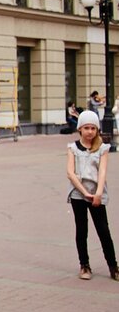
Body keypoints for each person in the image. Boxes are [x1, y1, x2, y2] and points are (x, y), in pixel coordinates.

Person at [66, 110, 118, 281]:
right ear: (80, 129)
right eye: (86, 128)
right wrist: (84, 192)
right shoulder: (73, 148)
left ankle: (113, 266)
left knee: (103, 230)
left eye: (93, 128)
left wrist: (98, 193)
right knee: (82, 230)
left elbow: (102, 172)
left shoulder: (102, 148)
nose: (90, 131)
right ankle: (84, 265)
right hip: (78, 194)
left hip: (97, 194)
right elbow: (70, 173)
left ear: (97, 130)